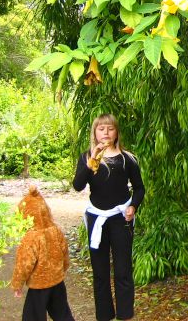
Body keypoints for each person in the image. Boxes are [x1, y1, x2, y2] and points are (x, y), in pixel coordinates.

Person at [73, 113, 145, 321]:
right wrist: (91, 163)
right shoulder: (87, 157)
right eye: (101, 128)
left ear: (116, 132)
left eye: (110, 128)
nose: (106, 132)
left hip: (120, 218)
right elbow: (78, 185)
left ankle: (125, 315)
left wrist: (133, 206)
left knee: (123, 270)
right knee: (100, 272)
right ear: (95, 132)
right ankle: (104, 315)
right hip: (97, 218)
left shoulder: (127, 159)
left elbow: (139, 188)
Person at [10, 185, 75, 321]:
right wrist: (62, 269)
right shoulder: (55, 230)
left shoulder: (31, 237)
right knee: (62, 314)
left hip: (39, 285)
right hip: (57, 282)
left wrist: (17, 284)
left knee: (32, 316)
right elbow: (65, 253)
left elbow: (24, 263)